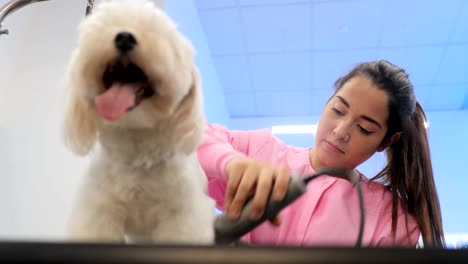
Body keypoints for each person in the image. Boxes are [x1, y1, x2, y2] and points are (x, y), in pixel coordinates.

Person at [197, 60, 445, 247]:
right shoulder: (261, 151)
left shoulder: (391, 218)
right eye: (338, 110)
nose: (340, 131)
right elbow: (190, 139)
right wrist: (230, 163)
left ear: (386, 141)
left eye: (364, 128)